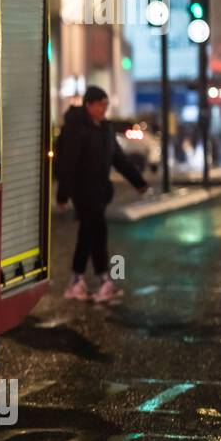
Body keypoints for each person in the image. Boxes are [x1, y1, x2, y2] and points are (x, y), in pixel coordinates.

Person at [55, 86, 149, 302]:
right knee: (96, 232)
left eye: (106, 105)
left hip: (99, 191)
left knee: (89, 234)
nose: (104, 109)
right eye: (101, 105)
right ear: (89, 105)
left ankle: (79, 281)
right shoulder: (76, 129)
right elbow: (68, 165)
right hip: (83, 192)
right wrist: (63, 195)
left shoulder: (105, 129)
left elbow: (119, 159)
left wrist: (139, 182)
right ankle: (101, 280)